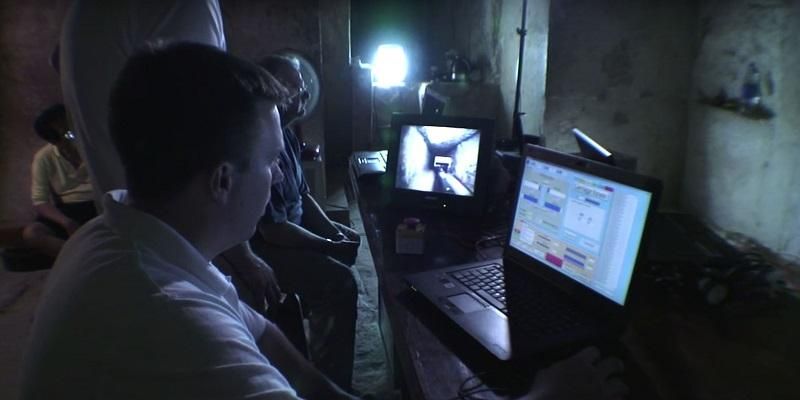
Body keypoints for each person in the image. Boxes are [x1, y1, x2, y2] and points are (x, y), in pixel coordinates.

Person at [21, 42, 357, 400]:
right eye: (270, 160)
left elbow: (261, 331)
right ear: (222, 180)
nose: (276, 176)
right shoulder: (176, 320)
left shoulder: (111, 232)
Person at [60, 0, 281, 314]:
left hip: (130, 224)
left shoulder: (84, 12)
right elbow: (209, 132)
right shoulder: (183, 6)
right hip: (185, 235)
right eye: (273, 162)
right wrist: (243, 258)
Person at [254, 54, 360, 390]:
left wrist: (332, 230)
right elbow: (274, 229)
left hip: (288, 232)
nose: (303, 94)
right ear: (272, 89)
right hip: (268, 247)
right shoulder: (259, 141)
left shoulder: (287, 135)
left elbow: (303, 196)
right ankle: (331, 386)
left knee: (346, 241)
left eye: (302, 87)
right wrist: (325, 245)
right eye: (294, 87)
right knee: (340, 283)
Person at [22, 104, 95, 258]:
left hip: (99, 202)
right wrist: (65, 222)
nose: (68, 140)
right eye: (59, 136)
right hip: (70, 208)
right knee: (33, 233)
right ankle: (81, 259)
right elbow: (40, 200)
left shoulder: (94, 146)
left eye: (69, 133)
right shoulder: (44, 157)